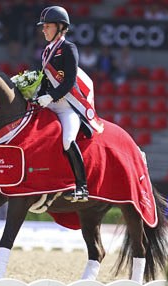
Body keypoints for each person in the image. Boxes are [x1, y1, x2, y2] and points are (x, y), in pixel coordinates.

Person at [36, 6, 103, 202]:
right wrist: (37, 95)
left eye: (47, 26)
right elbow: (45, 80)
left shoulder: (68, 48)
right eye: (44, 27)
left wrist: (52, 96)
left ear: (59, 27)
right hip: (50, 104)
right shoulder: (47, 51)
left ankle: (82, 187)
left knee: (67, 141)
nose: (44, 30)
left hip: (67, 107)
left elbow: (69, 81)